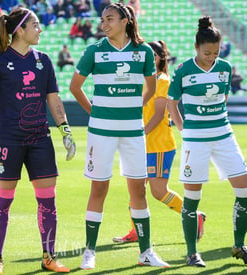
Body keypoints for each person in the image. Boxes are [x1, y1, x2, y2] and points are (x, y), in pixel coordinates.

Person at [0, 7, 75, 274]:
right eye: (36, 25)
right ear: (19, 30)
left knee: (47, 201)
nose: (40, 30)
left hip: (40, 139)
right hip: (8, 140)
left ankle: (49, 256)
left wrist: (65, 129)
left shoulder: (44, 60)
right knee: (2, 203)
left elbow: (53, 98)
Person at [69, 3, 169, 270]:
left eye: (110, 19)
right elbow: (74, 87)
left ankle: (145, 252)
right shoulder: (94, 50)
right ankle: (89, 251)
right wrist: (95, 112)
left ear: (126, 20)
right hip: (101, 131)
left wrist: (135, 107)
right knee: (98, 188)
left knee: (139, 189)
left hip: (133, 131)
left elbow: (150, 87)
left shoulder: (144, 51)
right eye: (102, 19)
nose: (104, 24)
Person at [167, 16, 247, 268]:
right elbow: (171, 103)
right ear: (196, 48)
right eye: (207, 52)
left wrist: (216, 120)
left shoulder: (225, 67)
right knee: (192, 197)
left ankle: (239, 245)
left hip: (224, 135)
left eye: (216, 52)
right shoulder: (183, 70)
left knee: (245, 190)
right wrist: (183, 127)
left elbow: (224, 98)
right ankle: (191, 252)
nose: (212, 56)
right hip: (195, 140)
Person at [112, 40, 206, 244]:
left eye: (152, 55)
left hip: (159, 145)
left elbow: (158, 115)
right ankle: (135, 231)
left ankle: (194, 215)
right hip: (140, 145)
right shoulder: (141, 79)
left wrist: (140, 134)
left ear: (159, 57)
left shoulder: (162, 80)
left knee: (158, 191)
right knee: (135, 189)